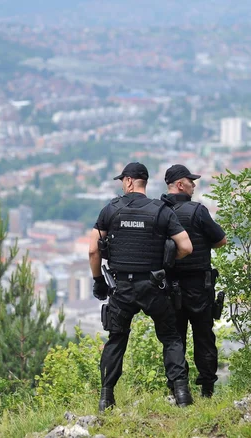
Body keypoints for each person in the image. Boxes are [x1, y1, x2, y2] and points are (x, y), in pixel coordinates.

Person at [88, 162, 195, 412]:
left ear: (127, 181)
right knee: (170, 338)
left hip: (121, 287)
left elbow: (94, 249)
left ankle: (106, 398)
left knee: (116, 339)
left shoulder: (110, 210)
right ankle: (182, 394)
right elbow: (186, 247)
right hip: (154, 286)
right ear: (144, 182)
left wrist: (98, 282)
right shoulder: (161, 210)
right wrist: (165, 262)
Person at [160, 164, 227, 398]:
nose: (194, 185)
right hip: (199, 286)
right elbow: (221, 240)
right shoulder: (198, 211)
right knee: (203, 337)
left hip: (169, 288)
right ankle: (207, 390)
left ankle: (178, 389)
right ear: (180, 184)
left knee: (173, 339)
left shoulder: (158, 211)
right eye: (191, 181)